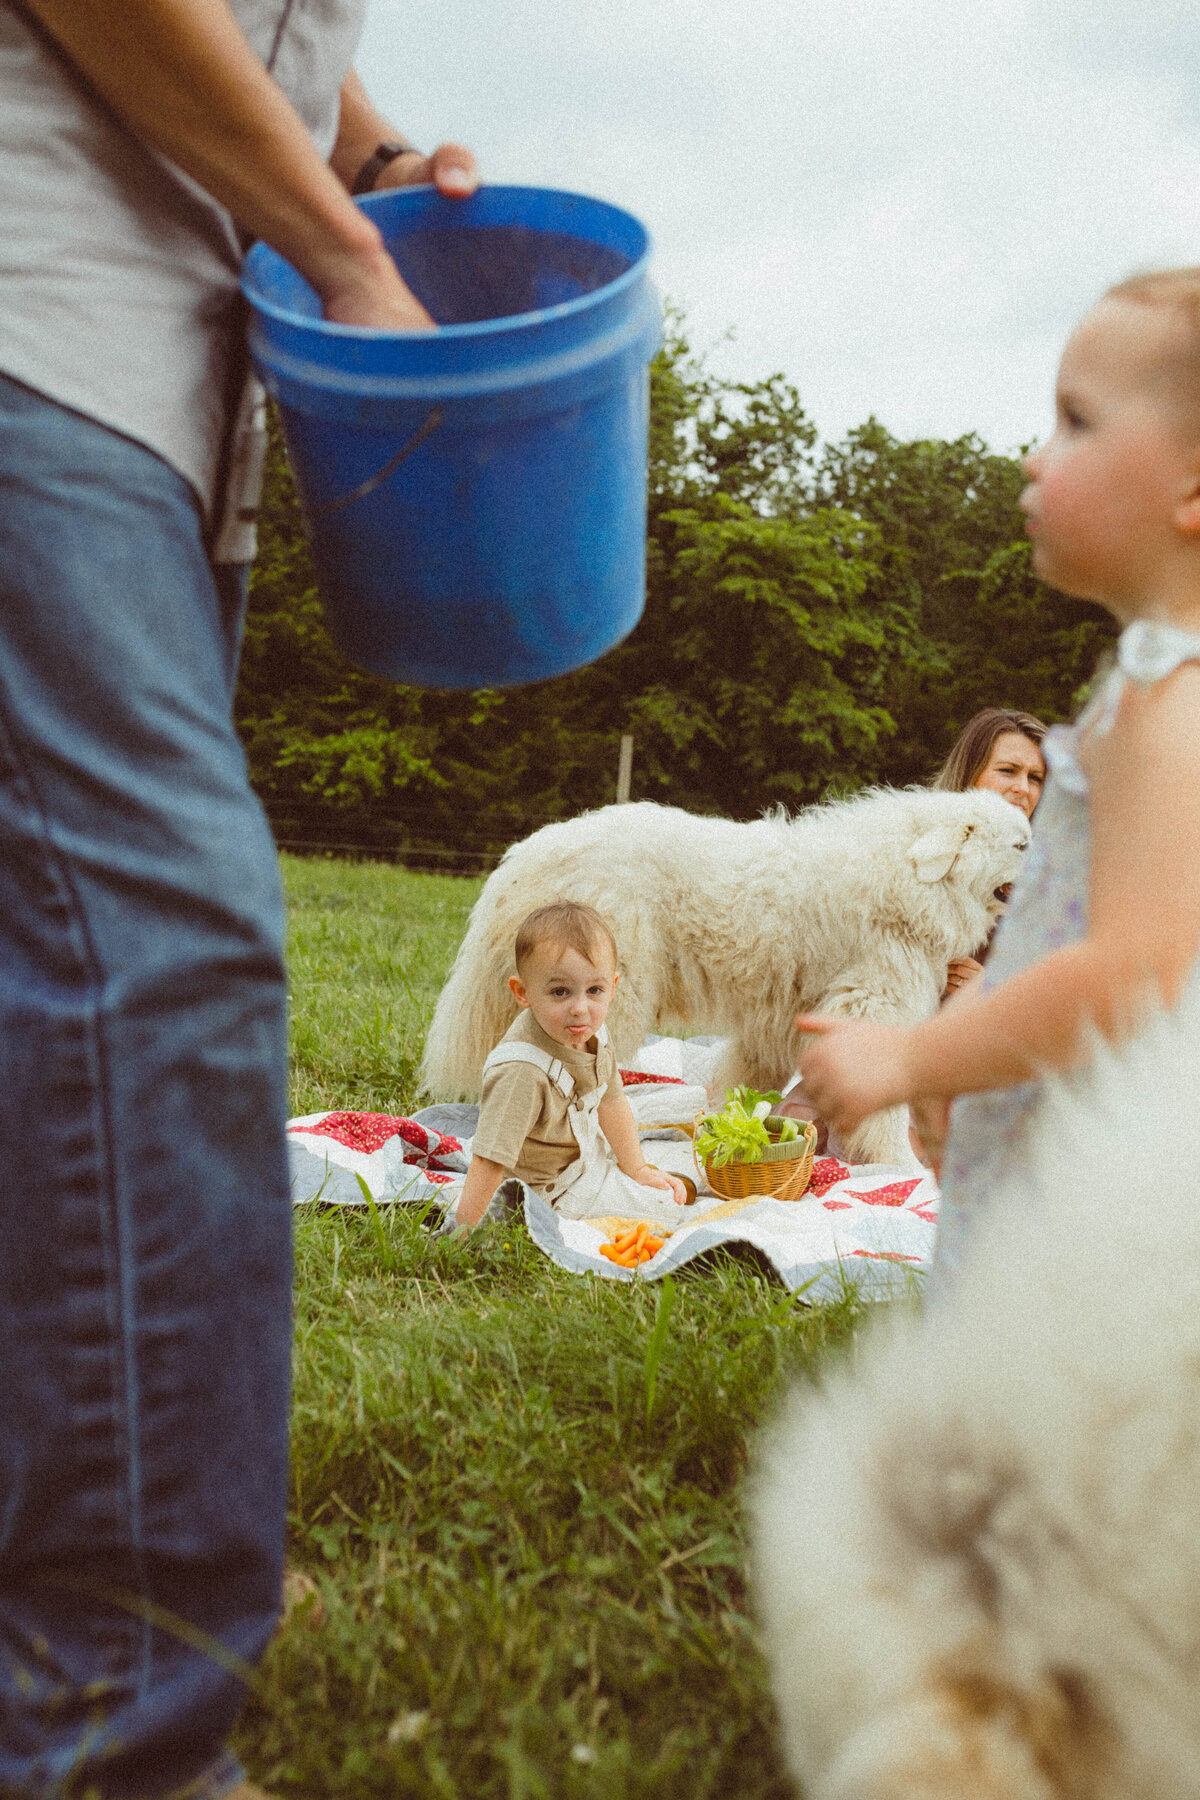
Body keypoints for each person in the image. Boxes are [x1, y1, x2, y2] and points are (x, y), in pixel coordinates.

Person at [0, 5, 477, 1796]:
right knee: (160, 949)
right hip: (43, 314)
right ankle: (107, 1722)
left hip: (160, 382)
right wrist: (341, 241)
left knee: (53, 983)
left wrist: (366, 158)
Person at [797, 266, 1200, 1285]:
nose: (1034, 456)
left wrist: (909, 1058)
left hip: (1093, 1166)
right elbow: (1057, 937)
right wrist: (970, 1065)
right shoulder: (1142, 685)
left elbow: (1134, 973)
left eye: (1074, 422)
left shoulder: (1172, 702)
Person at [453, 903, 691, 1231]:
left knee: (684, 1170)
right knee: (670, 1210)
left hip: (583, 1158)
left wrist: (636, 1168)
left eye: (595, 990)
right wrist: (464, 1234)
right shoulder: (521, 1071)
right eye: (560, 992)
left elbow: (611, 1101)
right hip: (548, 1191)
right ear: (522, 992)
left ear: (613, 986)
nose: (580, 1009)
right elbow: (488, 1161)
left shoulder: (591, 1032)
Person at [934, 708, 1048, 993]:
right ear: (971, 772)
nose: (1022, 788)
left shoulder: (1046, 878)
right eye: (1008, 771)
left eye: (1035, 777)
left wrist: (988, 991)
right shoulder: (917, 852)